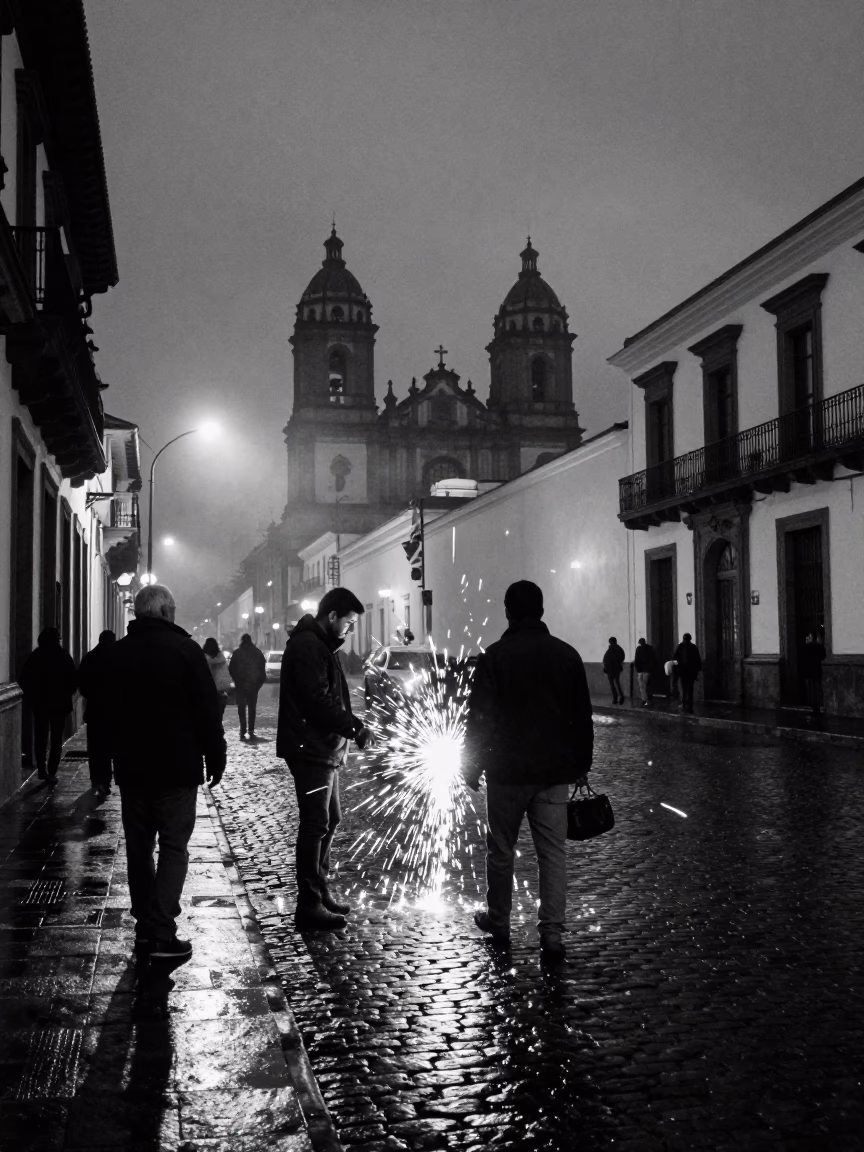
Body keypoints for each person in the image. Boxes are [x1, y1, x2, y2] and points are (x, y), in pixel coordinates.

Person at [464, 580, 594, 964]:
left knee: (501, 849)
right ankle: (551, 933)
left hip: (506, 772)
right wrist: (581, 765)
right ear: (541, 610)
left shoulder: (494, 657)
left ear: (508, 611)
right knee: (553, 853)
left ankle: (499, 921)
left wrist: (471, 765)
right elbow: (581, 718)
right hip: (553, 772)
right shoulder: (567, 656)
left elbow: (480, 720)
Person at [103, 584, 226, 960]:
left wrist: (109, 760)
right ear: (168, 612)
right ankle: (161, 930)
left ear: (139, 613)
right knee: (174, 847)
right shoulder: (186, 651)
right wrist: (215, 755)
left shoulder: (119, 653)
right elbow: (207, 710)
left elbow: (105, 711)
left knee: (139, 850)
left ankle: (145, 928)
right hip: (177, 768)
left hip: (133, 769)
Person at [277, 587, 373, 931]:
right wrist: (354, 727)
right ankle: (309, 903)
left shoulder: (319, 644)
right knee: (316, 823)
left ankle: (320, 889)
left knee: (330, 820)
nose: (350, 629)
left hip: (322, 748)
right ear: (331, 616)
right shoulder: (308, 646)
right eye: (348, 622)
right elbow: (317, 702)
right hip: (310, 748)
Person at [18, 628, 78, 783]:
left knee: (40, 737)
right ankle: (52, 771)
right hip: (60, 704)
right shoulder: (63, 656)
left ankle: (41, 769)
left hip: (41, 704)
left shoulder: (36, 656)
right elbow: (73, 680)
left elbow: (24, 679)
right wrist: (65, 693)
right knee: (57, 739)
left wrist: (34, 697)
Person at [78, 630, 117, 797]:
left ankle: (96, 779)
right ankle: (106, 780)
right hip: (113, 711)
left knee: (95, 747)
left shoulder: (90, 657)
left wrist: (93, 696)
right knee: (109, 747)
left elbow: (82, 683)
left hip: (94, 710)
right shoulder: (118, 658)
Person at [229, 634, 266, 740]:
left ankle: (243, 728)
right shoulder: (258, 653)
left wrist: (236, 680)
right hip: (254, 685)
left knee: (241, 707)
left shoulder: (237, 653)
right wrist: (258, 683)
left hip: (240, 684)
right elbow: (262, 670)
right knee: (252, 707)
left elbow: (231, 669)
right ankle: (251, 729)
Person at [673, 632, 702, 713]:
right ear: (690, 639)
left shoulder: (681, 646)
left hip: (683, 671)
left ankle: (684, 704)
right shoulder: (693, 647)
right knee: (690, 688)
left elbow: (675, 657)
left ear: (683, 638)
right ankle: (689, 705)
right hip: (692, 671)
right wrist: (698, 671)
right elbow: (698, 659)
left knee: (684, 688)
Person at [202, 637, 232, 717]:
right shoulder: (221, 657)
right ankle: (218, 725)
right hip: (221, 687)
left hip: (207, 687)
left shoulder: (203, 658)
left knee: (208, 711)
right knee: (219, 710)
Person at [801, 631, 826, 717]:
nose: (807, 638)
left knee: (811, 690)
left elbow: (803, 659)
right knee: (817, 689)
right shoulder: (820, 647)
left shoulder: (806, 647)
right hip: (817, 671)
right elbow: (823, 656)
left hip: (809, 672)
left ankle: (813, 706)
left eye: (808, 637)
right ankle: (818, 706)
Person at [633, 637, 657, 707]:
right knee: (645, 685)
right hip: (647, 670)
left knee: (642, 686)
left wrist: (637, 668)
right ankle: (646, 699)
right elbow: (653, 659)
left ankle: (645, 700)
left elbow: (636, 659)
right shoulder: (650, 648)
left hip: (640, 670)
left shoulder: (639, 649)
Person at [602, 636, 626, 704]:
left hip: (610, 669)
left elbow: (605, 659)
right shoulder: (619, 649)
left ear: (611, 642)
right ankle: (621, 696)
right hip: (617, 669)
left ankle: (615, 698)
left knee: (612, 684)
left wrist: (606, 665)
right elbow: (622, 657)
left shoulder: (610, 649)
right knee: (617, 683)